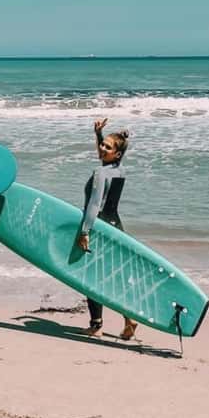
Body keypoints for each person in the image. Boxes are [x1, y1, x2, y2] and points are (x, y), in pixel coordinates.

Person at [76, 118, 139, 340]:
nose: (102, 149)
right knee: (112, 275)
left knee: (91, 277)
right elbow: (108, 161)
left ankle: (96, 325)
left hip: (99, 226)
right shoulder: (120, 171)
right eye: (102, 145)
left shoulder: (100, 173)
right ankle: (128, 317)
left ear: (117, 153)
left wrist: (85, 231)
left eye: (107, 147)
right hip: (116, 225)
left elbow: (94, 204)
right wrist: (99, 135)